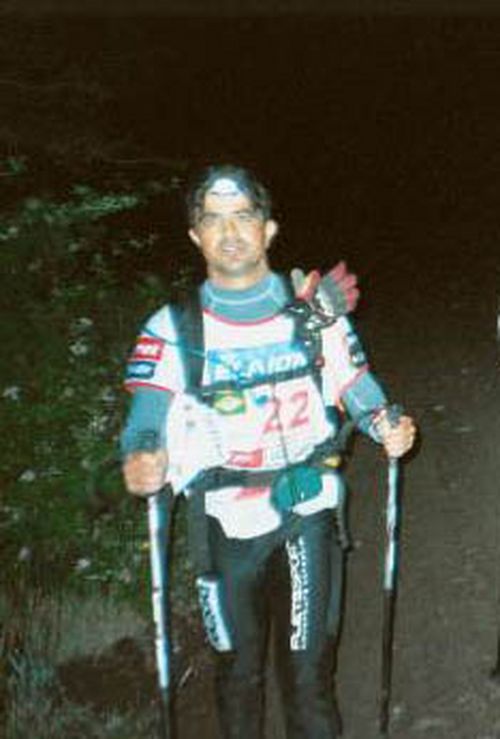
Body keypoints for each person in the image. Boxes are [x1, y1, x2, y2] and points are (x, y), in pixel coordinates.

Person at [121, 164, 416, 739]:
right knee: (238, 677)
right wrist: (142, 457)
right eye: (213, 220)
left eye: (244, 217)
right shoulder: (172, 328)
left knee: (308, 681)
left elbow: (355, 385)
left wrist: (386, 422)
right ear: (195, 236)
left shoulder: (314, 310)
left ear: (269, 229)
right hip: (224, 524)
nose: (230, 232)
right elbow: (145, 419)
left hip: (306, 509)